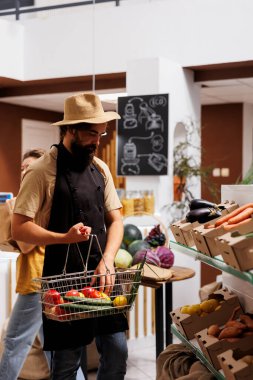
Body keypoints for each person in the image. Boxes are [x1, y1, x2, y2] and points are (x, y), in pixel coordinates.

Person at [11, 92, 129, 380]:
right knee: (66, 363)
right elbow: (20, 226)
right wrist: (65, 237)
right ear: (71, 129)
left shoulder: (100, 168)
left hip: (102, 277)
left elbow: (116, 219)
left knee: (117, 351)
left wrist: (109, 259)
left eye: (101, 134)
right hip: (63, 281)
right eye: (92, 133)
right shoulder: (40, 171)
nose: (97, 141)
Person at [0, 148, 51, 380]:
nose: (24, 171)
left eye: (29, 167)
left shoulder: (35, 199)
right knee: (52, 347)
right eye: (22, 168)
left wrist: (13, 209)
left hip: (36, 281)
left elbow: (27, 245)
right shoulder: (39, 197)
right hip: (45, 278)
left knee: (13, 342)